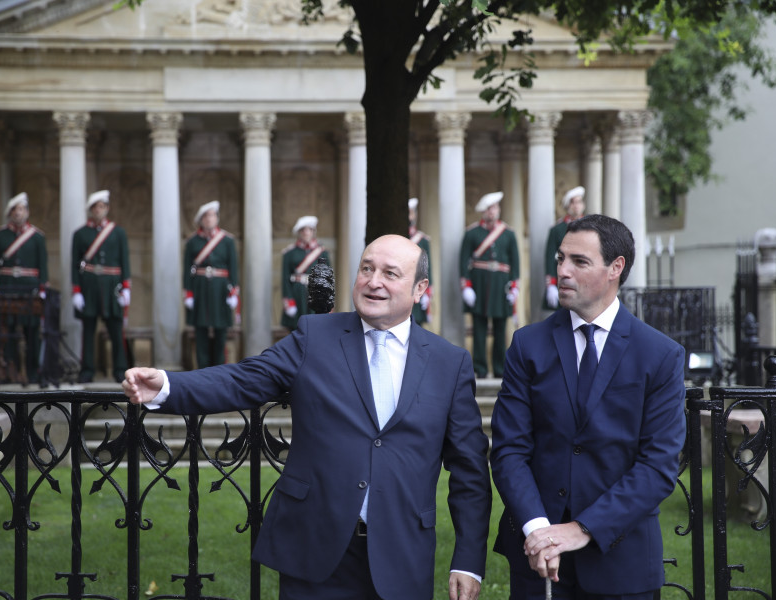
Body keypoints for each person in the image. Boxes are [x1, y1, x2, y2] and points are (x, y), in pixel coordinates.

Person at [123, 234, 491, 600]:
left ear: (419, 289)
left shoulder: (449, 363)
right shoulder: (315, 336)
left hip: (403, 553)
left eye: (390, 273)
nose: (373, 281)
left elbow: (470, 471)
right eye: (366, 268)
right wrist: (168, 386)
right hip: (317, 549)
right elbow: (244, 379)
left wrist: (469, 560)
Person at [490, 214, 686, 599]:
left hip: (622, 561)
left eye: (579, 262)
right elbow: (510, 449)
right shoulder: (528, 345)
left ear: (616, 268)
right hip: (538, 562)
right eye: (561, 259)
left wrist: (580, 530)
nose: (562, 271)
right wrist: (537, 531)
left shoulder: (660, 355)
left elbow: (658, 465)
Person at [71, 190, 131, 383]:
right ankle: (87, 370)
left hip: (112, 286)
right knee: (88, 330)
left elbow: (125, 261)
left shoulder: (118, 232)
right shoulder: (80, 234)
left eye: (102, 207)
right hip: (88, 286)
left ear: (107, 208)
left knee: (116, 329)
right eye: (95, 207)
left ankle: (120, 369)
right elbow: (75, 264)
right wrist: (76, 291)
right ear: (90, 210)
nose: (99, 210)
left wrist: (126, 287)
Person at [0, 192, 48, 384]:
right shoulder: (0, 236)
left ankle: (33, 372)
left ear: (27, 212)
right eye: (14, 210)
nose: (18, 213)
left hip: (29, 289)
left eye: (21, 209)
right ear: (10, 213)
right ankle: (10, 371)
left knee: (32, 332)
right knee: (9, 331)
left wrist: (42, 288)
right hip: (7, 287)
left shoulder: (37, 237)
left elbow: (43, 264)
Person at [460, 191, 519, 378]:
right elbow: (463, 261)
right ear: (483, 212)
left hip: (501, 286)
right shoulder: (472, 233)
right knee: (479, 328)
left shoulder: (508, 234)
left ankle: (500, 368)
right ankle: (480, 368)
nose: (492, 212)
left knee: (501, 330)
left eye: (494, 208)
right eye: (489, 208)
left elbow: (515, 263)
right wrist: (466, 286)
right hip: (479, 284)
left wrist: (514, 288)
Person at [183, 200, 239, 368]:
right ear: (200, 220)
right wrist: (188, 293)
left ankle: (219, 369)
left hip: (221, 289)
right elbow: (187, 269)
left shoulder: (227, 241)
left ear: (217, 218)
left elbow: (233, 268)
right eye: (206, 216)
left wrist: (234, 292)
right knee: (200, 331)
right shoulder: (193, 242)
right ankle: (202, 370)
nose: (209, 219)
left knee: (221, 330)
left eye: (212, 215)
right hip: (200, 288)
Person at [281, 215, 330, 331]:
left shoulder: (322, 253)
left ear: (313, 232)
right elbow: (285, 279)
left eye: (309, 229)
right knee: (296, 329)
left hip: (316, 293)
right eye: (303, 230)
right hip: (297, 292)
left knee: (316, 328)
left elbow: (328, 279)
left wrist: (327, 300)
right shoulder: (290, 253)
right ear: (299, 232)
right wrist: (288, 300)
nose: (306, 232)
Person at [543, 186, 586, 311]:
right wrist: (551, 284)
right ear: (568, 206)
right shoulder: (557, 229)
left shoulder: (591, 227)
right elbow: (550, 257)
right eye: (573, 202)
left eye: (579, 202)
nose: (576, 205)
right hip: (565, 278)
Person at [408, 197, 433, 326]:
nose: (409, 216)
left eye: (411, 212)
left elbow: (428, 269)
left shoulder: (422, 240)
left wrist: (427, 292)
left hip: (417, 286)